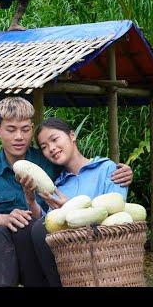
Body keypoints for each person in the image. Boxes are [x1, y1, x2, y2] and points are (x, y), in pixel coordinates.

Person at [0, 97, 133, 287]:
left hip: (36, 255)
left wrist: (119, 171)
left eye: (25, 129)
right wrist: (2, 218)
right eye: (11, 130)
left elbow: (79, 171)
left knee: (18, 228)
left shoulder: (48, 162)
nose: (19, 137)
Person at [23, 117, 130, 287]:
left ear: (72, 136)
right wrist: (31, 201)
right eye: (44, 147)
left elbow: (117, 211)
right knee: (34, 229)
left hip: (105, 252)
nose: (51, 148)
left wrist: (70, 206)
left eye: (54, 139)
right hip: (70, 261)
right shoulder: (58, 186)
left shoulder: (107, 168)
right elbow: (47, 225)